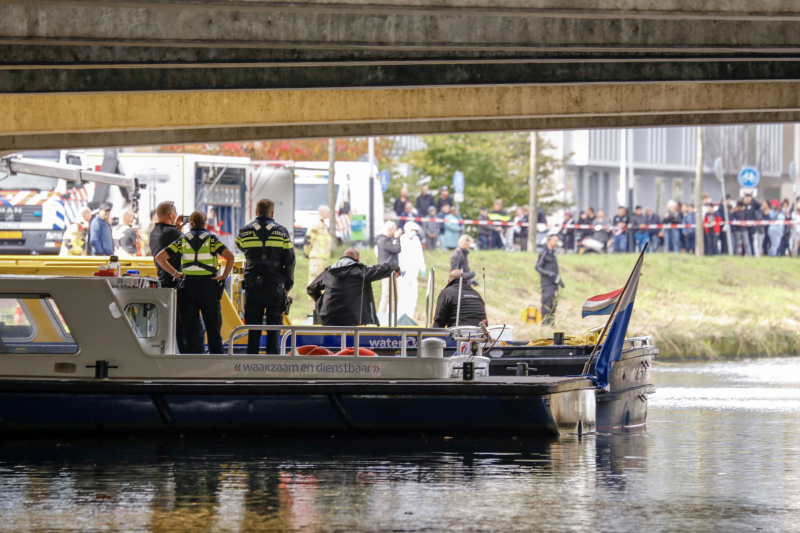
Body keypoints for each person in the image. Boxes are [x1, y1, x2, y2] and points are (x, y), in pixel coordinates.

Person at [155, 211, 235, 354]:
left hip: (187, 287)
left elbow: (160, 258)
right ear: (205, 223)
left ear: (190, 224)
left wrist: (176, 273)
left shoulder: (182, 240)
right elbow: (230, 256)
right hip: (209, 288)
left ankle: (193, 362)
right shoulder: (211, 240)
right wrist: (223, 276)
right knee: (213, 329)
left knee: (191, 331)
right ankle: (217, 361)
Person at [235, 199, 296, 355]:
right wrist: (288, 285)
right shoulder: (282, 232)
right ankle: (272, 364)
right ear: (272, 213)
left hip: (253, 287)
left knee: (253, 329)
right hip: (275, 287)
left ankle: (251, 363)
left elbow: (240, 246)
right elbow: (290, 261)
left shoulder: (244, 231)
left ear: (256, 212)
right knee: (274, 329)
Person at [308, 248, 400, 326]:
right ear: (357, 259)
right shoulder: (361, 271)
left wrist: (322, 302)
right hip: (351, 318)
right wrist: (394, 267)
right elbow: (379, 269)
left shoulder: (328, 272)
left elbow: (311, 289)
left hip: (328, 317)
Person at [149, 201, 188, 353]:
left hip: (163, 283)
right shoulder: (174, 234)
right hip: (176, 286)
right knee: (186, 328)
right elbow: (190, 245)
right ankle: (189, 360)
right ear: (171, 215)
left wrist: (177, 228)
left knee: (173, 328)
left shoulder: (154, 232)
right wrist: (177, 274)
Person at [397, 222, 426, 319]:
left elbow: (420, 255)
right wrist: (400, 268)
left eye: (415, 230)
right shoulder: (401, 240)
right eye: (412, 230)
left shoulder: (416, 240)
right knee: (402, 295)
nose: (414, 232)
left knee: (413, 296)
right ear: (405, 230)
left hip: (413, 273)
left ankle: (410, 316)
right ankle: (400, 316)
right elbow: (399, 257)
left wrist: (422, 267)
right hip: (403, 273)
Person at [536, 232, 563, 326]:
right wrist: (549, 273)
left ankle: (551, 323)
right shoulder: (544, 253)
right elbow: (538, 267)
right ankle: (545, 323)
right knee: (546, 303)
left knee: (553, 304)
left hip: (554, 283)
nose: (556, 242)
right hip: (547, 283)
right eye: (555, 240)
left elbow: (554, 268)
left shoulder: (553, 253)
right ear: (549, 241)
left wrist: (559, 280)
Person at [376, 220, 402, 313]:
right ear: (390, 229)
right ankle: (380, 316)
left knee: (394, 296)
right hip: (387, 271)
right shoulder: (384, 241)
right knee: (386, 295)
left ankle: (392, 316)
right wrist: (397, 238)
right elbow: (396, 249)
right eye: (394, 230)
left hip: (391, 270)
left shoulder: (383, 240)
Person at [303, 205, 332, 286]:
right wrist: (307, 252)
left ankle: (318, 294)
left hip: (322, 258)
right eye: (328, 212)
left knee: (321, 278)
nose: (329, 214)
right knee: (315, 277)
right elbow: (308, 239)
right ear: (322, 212)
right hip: (317, 258)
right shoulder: (316, 223)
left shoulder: (322, 224)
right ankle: (312, 294)